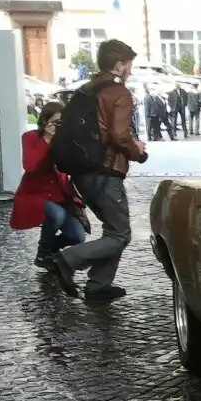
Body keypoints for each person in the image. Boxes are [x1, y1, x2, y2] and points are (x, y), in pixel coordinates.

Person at [52, 39, 148, 304]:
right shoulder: (118, 93)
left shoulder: (87, 89)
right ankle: (68, 259)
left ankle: (98, 286)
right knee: (119, 235)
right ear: (119, 65)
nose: (130, 70)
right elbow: (120, 135)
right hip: (105, 171)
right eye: (128, 64)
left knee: (113, 230)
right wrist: (139, 151)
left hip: (82, 171)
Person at [10, 102, 88, 269]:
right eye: (55, 122)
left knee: (78, 236)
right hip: (34, 195)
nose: (58, 126)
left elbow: (72, 166)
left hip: (59, 196)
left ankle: (51, 251)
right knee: (57, 215)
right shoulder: (31, 137)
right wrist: (46, 140)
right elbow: (30, 166)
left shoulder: (65, 140)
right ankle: (43, 253)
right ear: (45, 121)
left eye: (62, 122)